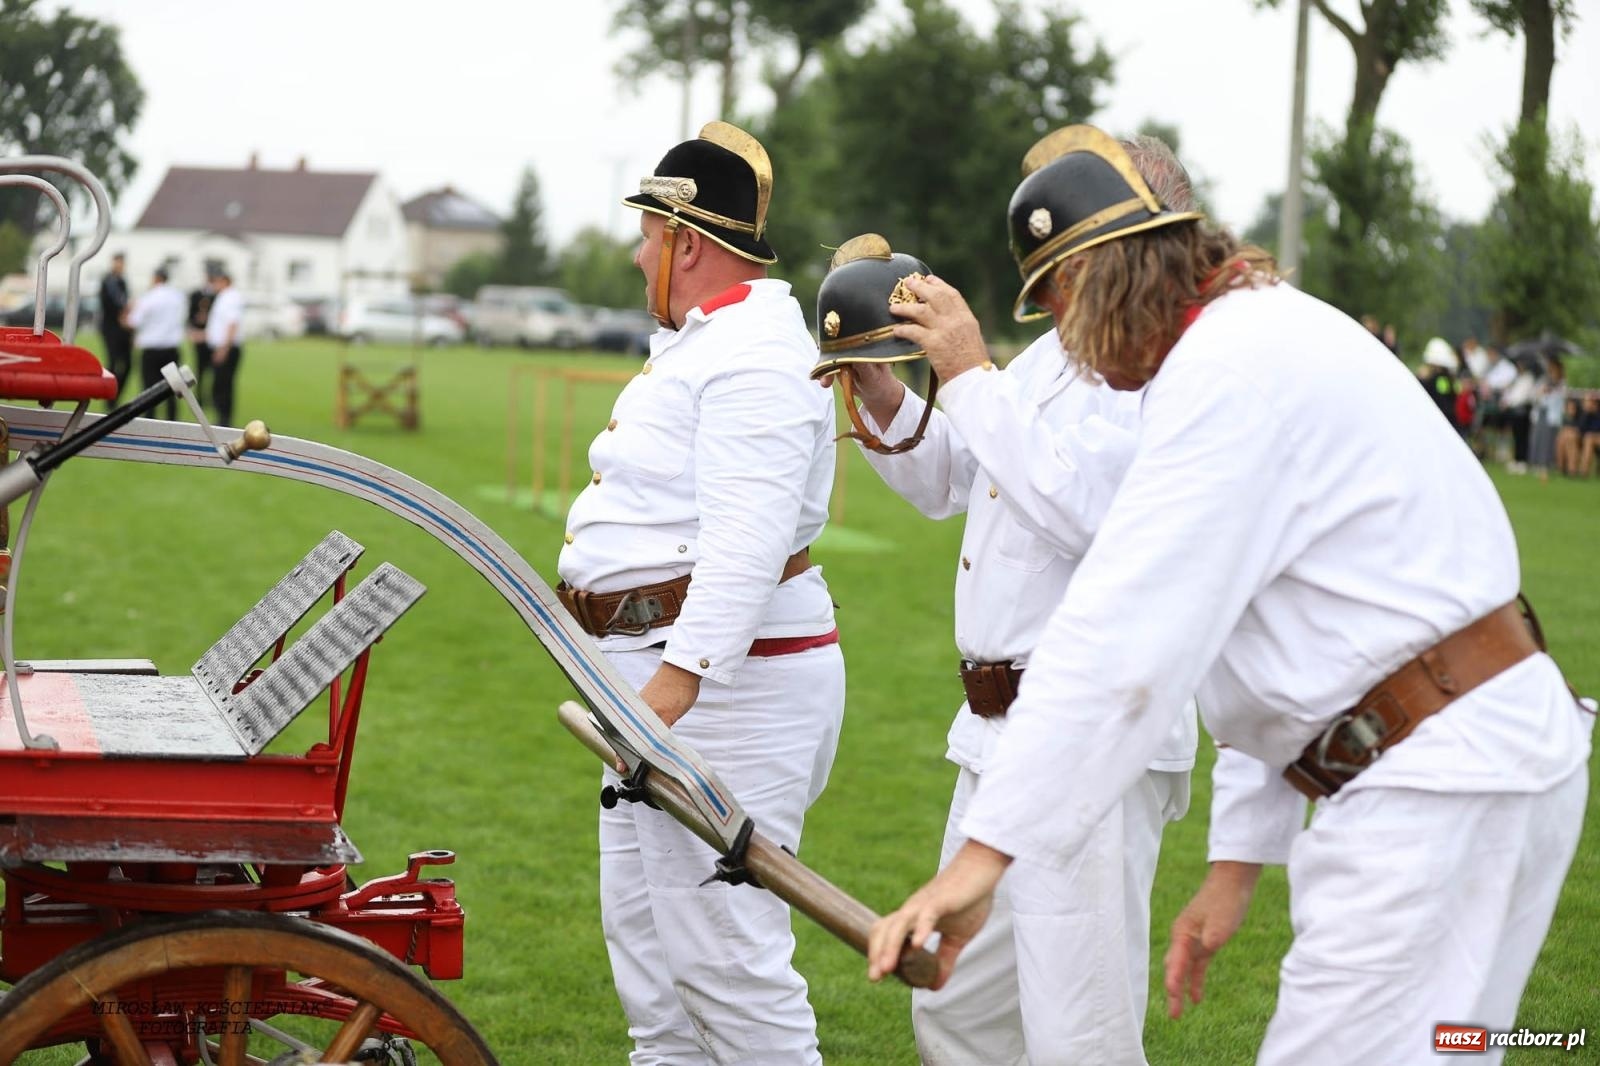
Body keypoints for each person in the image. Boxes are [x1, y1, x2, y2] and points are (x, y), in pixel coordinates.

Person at [866, 124, 1591, 1066]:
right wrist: (1240, 863)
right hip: (1469, 759)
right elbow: (1269, 642)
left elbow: (1123, 637)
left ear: (1103, 280)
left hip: (1434, 785)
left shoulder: (1227, 373)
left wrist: (981, 859)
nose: (1070, 345)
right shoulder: (1260, 336)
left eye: (1060, 306)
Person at [825, 135, 1199, 1066]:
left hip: (1095, 730)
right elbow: (952, 480)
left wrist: (965, 368)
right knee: (957, 1010)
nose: (1057, 274)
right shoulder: (1047, 361)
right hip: (997, 731)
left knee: (1078, 1029)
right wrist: (882, 387)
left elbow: (1090, 514)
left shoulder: (1162, 362)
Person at [556, 120, 843, 1065]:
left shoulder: (754, 354)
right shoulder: (710, 342)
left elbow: (747, 545)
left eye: (648, 234)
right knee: (656, 972)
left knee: (727, 965)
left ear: (687, 241)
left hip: (724, 692)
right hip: (662, 686)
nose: (640, 253)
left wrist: (666, 700)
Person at [126, 266, 186, 421]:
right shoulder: (178, 297)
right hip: (171, 347)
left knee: (149, 387)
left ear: (156, 278)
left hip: (151, 348)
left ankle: (150, 419)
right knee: (173, 387)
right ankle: (172, 420)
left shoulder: (149, 297)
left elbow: (133, 321)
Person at [205, 270, 245, 426]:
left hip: (226, 348)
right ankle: (221, 418)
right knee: (220, 385)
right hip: (223, 346)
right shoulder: (225, 297)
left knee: (223, 385)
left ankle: (224, 420)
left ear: (224, 281)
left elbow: (232, 323)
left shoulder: (230, 297)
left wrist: (224, 348)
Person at [97, 252, 132, 405]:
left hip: (123, 329)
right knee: (112, 362)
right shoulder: (108, 281)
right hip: (111, 328)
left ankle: (115, 395)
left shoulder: (122, 281)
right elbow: (111, 304)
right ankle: (109, 398)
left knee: (127, 363)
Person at [1528, 358, 1567, 482]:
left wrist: (1551, 392)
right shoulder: (1544, 381)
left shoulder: (1562, 383)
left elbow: (1560, 399)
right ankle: (1537, 463)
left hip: (1552, 416)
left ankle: (1547, 465)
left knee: (1548, 440)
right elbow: (1535, 395)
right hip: (1541, 413)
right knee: (1538, 438)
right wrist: (1542, 392)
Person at [188, 270, 219, 412]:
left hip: (211, 337)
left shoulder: (217, 295)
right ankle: (199, 397)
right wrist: (194, 326)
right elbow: (190, 315)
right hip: (199, 336)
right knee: (199, 369)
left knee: (213, 370)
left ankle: (212, 397)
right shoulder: (196, 294)